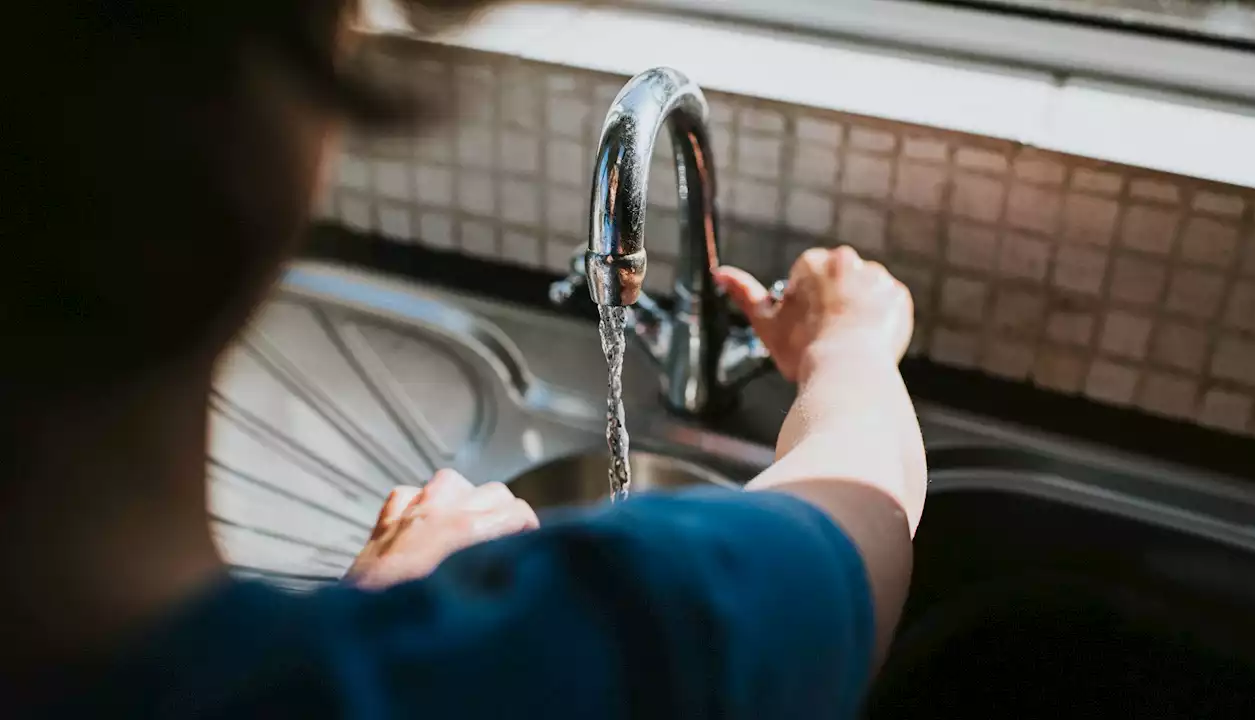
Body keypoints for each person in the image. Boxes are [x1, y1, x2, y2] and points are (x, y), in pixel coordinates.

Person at [2, 1, 926, 716]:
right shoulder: (517, 672)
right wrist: (848, 348)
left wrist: (375, 598)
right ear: (238, 122)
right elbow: (859, 517)